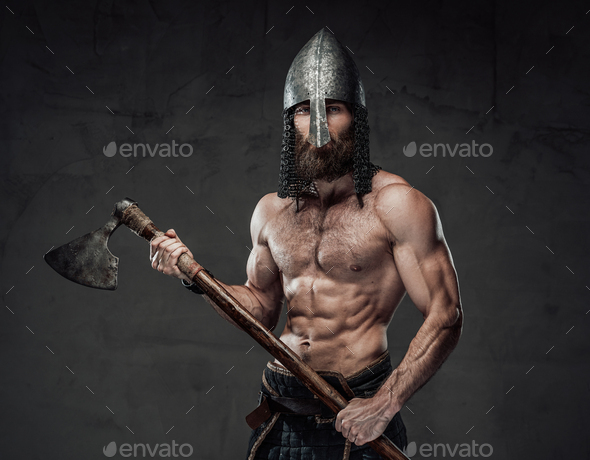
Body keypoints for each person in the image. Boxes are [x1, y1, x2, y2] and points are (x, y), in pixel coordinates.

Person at [149, 28, 463, 460]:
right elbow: (260, 308)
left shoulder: (397, 205)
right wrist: (192, 273)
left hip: (355, 409)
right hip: (280, 408)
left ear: (356, 117)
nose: (317, 125)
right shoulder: (271, 212)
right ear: (288, 121)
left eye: (332, 108)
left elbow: (446, 315)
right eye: (302, 110)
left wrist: (384, 404)